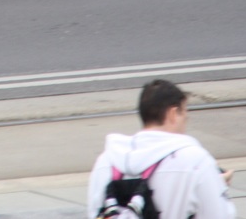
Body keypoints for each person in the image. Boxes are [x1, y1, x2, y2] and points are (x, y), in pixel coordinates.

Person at [87, 80, 237, 219]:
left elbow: (94, 212)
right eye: (185, 116)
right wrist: (216, 184)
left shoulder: (106, 161)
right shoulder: (195, 161)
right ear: (173, 114)